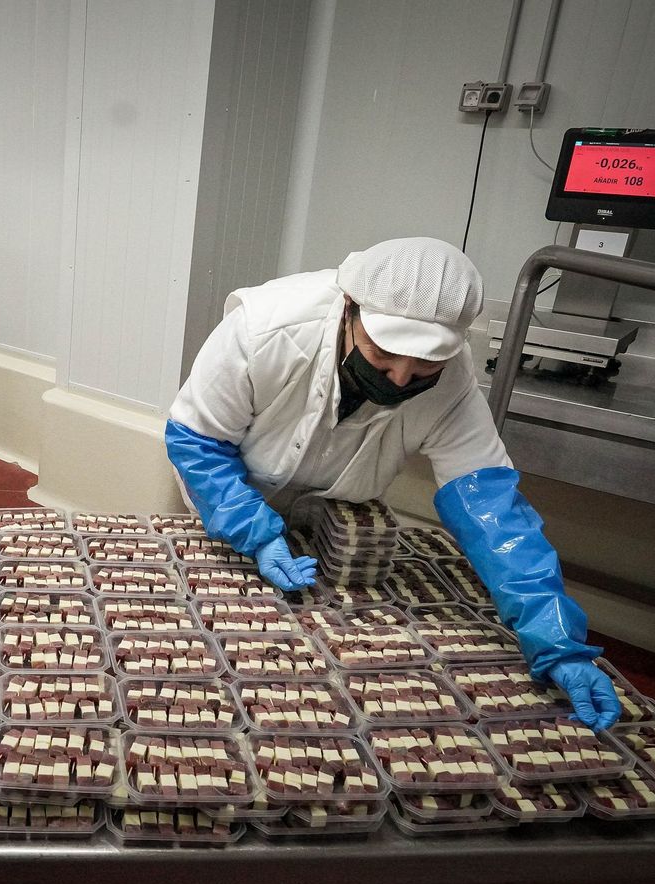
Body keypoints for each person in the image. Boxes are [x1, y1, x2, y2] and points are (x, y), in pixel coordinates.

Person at [167, 237, 621, 730]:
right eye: (385, 353)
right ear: (348, 311)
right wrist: (253, 531)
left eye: (425, 363)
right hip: (229, 489)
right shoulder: (267, 328)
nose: (402, 378)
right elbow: (200, 443)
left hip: (335, 512)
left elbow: (490, 509)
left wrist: (556, 639)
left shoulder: (453, 381)